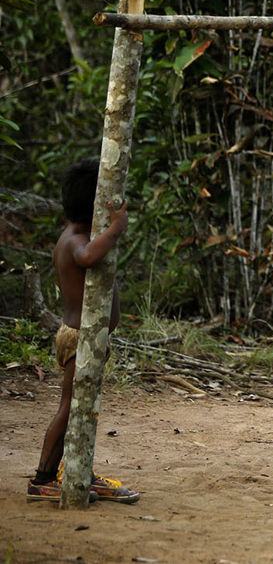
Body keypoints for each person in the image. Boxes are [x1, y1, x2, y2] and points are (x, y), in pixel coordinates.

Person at [27, 159, 140, 504]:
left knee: (80, 406)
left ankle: (79, 471)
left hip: (88, 339)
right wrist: (116, 229)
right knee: (70, 407)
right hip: (80, 338)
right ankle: (43, 478)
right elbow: (88, 256)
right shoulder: (75, 239)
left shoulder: (76, 234)